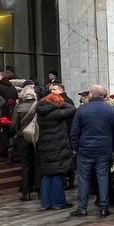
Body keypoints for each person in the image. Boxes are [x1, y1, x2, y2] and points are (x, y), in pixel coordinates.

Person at [70, 84, 114, 218]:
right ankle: (104, 207)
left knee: (83, 179)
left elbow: (74, 132)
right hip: (104, 149)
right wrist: (113, 148)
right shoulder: (111, 110)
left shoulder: (82, 110)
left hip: (85, 149)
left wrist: (77, 147)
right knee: (102, 177)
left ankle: (82, 208)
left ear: (92, 94)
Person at [34, 82, 75, 210]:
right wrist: (60, 101)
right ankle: (58, 202)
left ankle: (45, 203)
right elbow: (72, 109)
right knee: (57, 174)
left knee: (47, 174)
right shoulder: (56, 113)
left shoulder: (40, 113)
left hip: (44, 146)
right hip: (57, 146)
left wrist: (51, 99)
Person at [11, 82, 39, 201]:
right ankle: (38, 188)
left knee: (25, 164)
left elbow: (14, 124)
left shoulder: (18, 107)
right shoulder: (38, 106)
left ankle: (26, 191)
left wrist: (18, 131)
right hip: (36, 137)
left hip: (22, 137)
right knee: (36, 163)